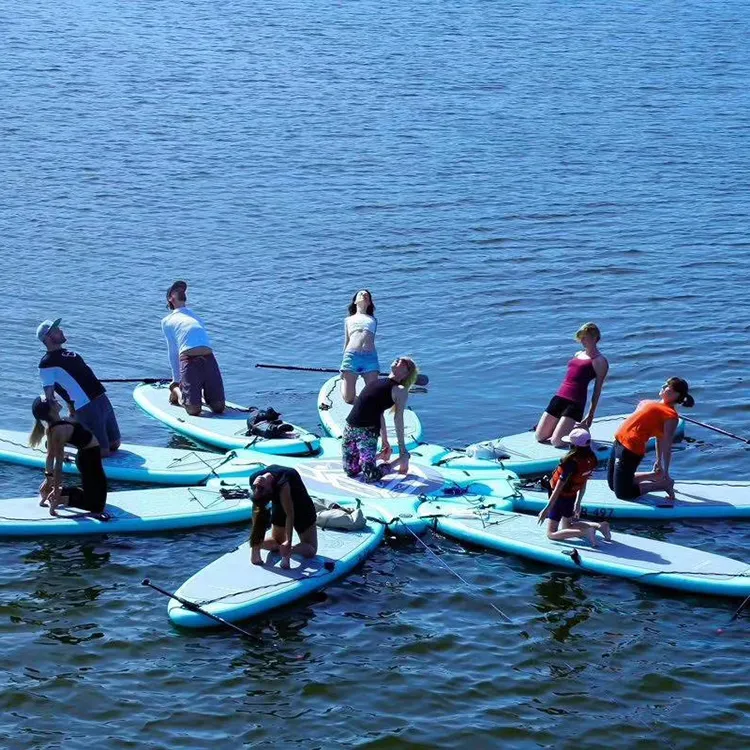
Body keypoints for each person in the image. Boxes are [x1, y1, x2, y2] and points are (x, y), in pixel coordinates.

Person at [36, 318, 121, 457]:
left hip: (102, 399)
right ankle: (58, 439)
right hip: (86, 406)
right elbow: (50, 394)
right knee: (103, 452)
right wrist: (55, 420)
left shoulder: (71, 354)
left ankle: (74, 432)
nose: (61, 330)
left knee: (115, 444)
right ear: (48, 338)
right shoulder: (46, 364)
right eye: (56, 330)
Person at [607, 377, 694, 505]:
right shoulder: (647, 402)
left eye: (668, 386)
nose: (664, 386)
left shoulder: (671, 416)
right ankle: (654, 476)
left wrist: (666, 471)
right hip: (618, 442)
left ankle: (663, 484)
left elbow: (666, 443)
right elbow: (658, 437)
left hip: (630, 450)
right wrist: (658, 462)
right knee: (612, 485)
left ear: (676, 395)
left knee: (623, 494)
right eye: (665, 383)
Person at [29, 396, 109, 519]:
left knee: (97, 495)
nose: (55, 399)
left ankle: (58, 493)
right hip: (89, 459)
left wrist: (48, 479)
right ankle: (61, 498)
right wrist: (55, 488)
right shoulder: (58, 430)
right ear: (50, 410)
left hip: (87, 457)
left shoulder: (53, 427)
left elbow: (50, 457)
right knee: (97, 506)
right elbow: (57, 462)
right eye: (52, 401)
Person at [342, 357, 420, 482]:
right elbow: (380, 413)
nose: (398, 360)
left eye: (403, 363)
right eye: (399, 359)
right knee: (350, 471)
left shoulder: (399, 390)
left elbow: (398, 419)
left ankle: (399, 461)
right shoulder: (377, 382)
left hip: (367, 433)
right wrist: (384, 440)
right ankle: (380, 456)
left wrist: (402, 450)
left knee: (370, 476)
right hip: (349, 427)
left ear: (406, 373)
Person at [535, 322, 609, 447]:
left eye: (585, 337)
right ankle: (563, 425)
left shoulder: (599, 361)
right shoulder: (578, 354)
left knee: (557, 442)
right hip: (559, 398)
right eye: (581, 338)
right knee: (540, 437)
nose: (582, 341)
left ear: (595, 338)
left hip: (575, 403)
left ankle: (582, 431)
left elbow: (597, 390)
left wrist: (590, 415)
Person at [537, 427, 611, 546]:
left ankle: (586, 532)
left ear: (574, 446)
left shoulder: (570, 463)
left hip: (559, 498)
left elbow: (558, 488)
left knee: (551, 533)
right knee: (567, 525)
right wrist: (578, 502)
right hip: (571, 496)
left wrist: (547, 508)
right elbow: (583, 482)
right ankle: (600, 526)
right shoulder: (591, 459)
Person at [162, 280, 225, 417]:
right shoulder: (167, 321)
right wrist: (176, 379)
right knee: (193, 410)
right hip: (188, 360)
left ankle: (200, 392)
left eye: (183, 290)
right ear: (170, 298)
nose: (181, 291)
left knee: (219, 407)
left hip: (208, 358)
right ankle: (176, 390)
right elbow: (173, 351)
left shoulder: (195, 316)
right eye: (176, 290)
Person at [249, 466, 318, 569]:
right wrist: (256, 543)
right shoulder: (254, 479)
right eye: (257, 488)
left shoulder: (283, 482)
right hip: (279, 506)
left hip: (302, 507)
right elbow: (257, 510)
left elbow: (289, 514)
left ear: (270, 488)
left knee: (310, 549)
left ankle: (288, 549)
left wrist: (288, 543)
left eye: (261, 488)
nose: (258, 487)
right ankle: (267, 546)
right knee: (279, 541)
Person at [340, 290, 379, 404]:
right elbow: (347, 340)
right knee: (349, 399)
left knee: (374, 396)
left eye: (367, 295)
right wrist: (343, 364)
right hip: (352, 356)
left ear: (370, 303)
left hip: (370, 358)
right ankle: (343, 382)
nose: (364, 295)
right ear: (355, 301)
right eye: (361, 294)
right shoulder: (348, 320)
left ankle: (366, 408)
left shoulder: (373, 320)